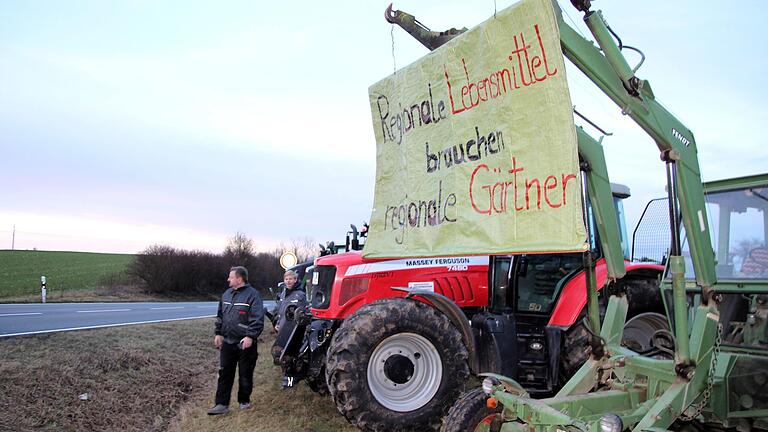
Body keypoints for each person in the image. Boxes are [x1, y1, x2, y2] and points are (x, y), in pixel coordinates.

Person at [207, 266, 264, 416]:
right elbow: (220, 315)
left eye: (230, 277)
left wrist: (250, 336)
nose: (228, 279)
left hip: (245, 342)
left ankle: (244, 401)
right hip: (228, 341)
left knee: (245, 374)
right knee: (224, 372)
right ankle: (221, 404)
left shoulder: (253, 295)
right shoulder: (226, 294)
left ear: (239, 278)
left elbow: (258, 318)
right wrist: (218, 333)